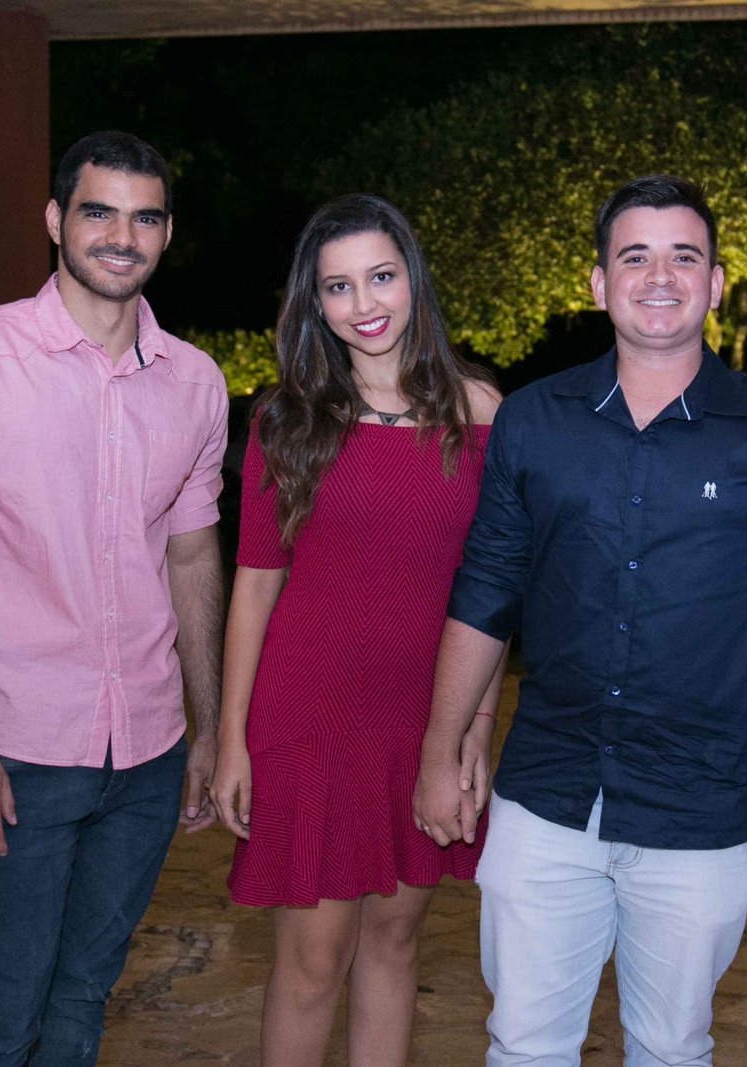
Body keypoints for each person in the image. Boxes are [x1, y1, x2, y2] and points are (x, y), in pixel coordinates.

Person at [413, 175, 747, 1066]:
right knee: (523, 1046)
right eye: (635, 257)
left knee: (670, 1049)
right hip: (547, 799)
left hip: (704, 807)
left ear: (716, 283)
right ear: (598, 283)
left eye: (684, 257)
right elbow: (486, 590)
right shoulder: (535, 420)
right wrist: (439, 750)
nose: (660, 277)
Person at [0, 130, 229, 1065]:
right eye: (99, 212)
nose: (122, 236)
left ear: (166, 233)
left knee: (80, 1004)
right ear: (56, 220)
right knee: (0, 1018)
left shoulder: (195, 382)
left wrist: (208, 728)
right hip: (15, 751)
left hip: (147, 753)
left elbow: (192, 559)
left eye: (144, 218)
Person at [208, 194, 504, 1067]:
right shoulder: (287, 419)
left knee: (396, 943)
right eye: (338, 286)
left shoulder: (483, 413)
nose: (364, 303)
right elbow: (254, 587)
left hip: (426, 719)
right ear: (315, 302)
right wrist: (230, 740)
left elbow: (493, 590)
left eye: (381, 276)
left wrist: (475, 730)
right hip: (310, 717)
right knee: (311, 962)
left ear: (414, 278)